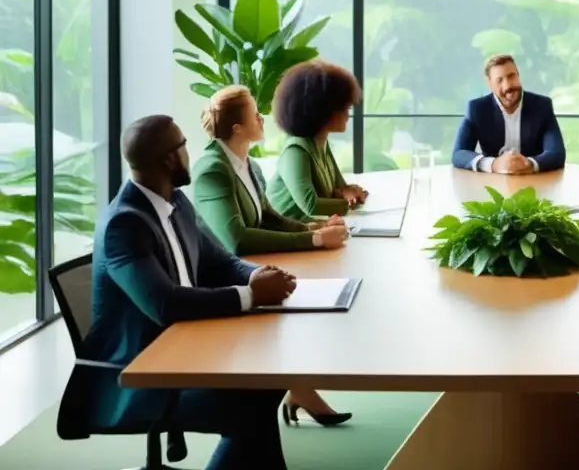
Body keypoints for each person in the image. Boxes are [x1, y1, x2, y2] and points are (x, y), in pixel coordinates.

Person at [77, 115, 296, 470]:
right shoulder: (125, 223)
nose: (189, 153)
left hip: (188, 351)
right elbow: (166, 304)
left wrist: (263, 275)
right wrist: (252, 295)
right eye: (183, 146)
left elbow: (222, 261)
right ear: (167, 160)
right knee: (251, 407)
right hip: (139, 376)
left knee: (267, 382)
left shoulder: (176, 202)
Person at [191, 85, 353, 428]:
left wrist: (314, 228)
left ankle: (300, 389)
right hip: (218, 282)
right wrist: (313, 241)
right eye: (254, 114)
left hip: (248, 269)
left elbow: (268, 216)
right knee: (297, 299)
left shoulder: (246, 163)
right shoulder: (212, 169)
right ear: (237, 128)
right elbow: (235, 239)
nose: (262, 118)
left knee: (315, 293)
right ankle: (298, 390)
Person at [266, 60, 367, 221]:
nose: (348, 114)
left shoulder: (321, 143)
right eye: (344, 107)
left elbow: (340, 187)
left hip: (313, 230)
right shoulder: (295, 151)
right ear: (321, 109)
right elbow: (310, 205)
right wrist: (346, 202)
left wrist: (348, 192)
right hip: (286, 236)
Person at [451, 53, 566, 174]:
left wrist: (529, 164)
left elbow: (556, 152)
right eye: (499, 80)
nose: (508, 86)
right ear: (489, 83)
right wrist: (493, 164)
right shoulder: (477, 109)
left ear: (518, 75)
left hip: (533, 180)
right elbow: (459, 153)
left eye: (511, 76)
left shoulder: (542, 106)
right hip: (492, 182)